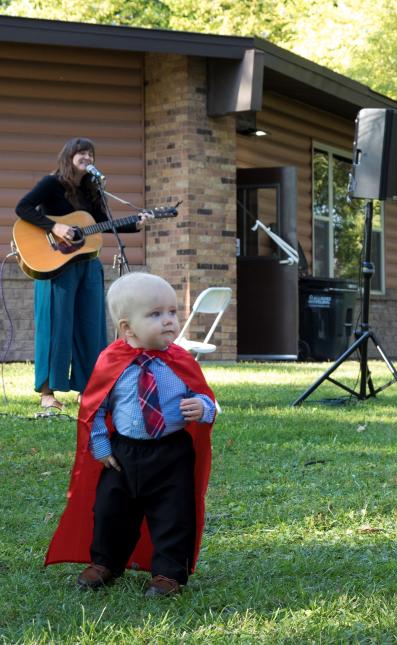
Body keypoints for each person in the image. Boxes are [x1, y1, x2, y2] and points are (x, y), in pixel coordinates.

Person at [45, 272, 217, 597]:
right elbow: (94, 407)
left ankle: (168, 574)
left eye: (172, 312)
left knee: (174, 514)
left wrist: (203, 408)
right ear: (127, 327)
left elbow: (205, 397)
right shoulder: (113, 361)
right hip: (123, 453)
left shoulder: (179, 361)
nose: (169, 321)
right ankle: (106, 562)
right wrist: (100, 445)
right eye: (155, 314)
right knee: (110, 511)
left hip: (171, 452)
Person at [15, 138, 150, 411]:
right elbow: (23, 208)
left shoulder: (91, 189)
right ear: (69, 156)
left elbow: (101, 223)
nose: (87, 157)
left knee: (91, 326)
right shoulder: (51, 184)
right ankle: (47, 392)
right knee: (56, 327)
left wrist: (136, 225)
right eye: (82, 152)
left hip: (87, 263)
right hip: (54, 264)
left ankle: (90, 388)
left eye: (91, 153)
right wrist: (55, 227)